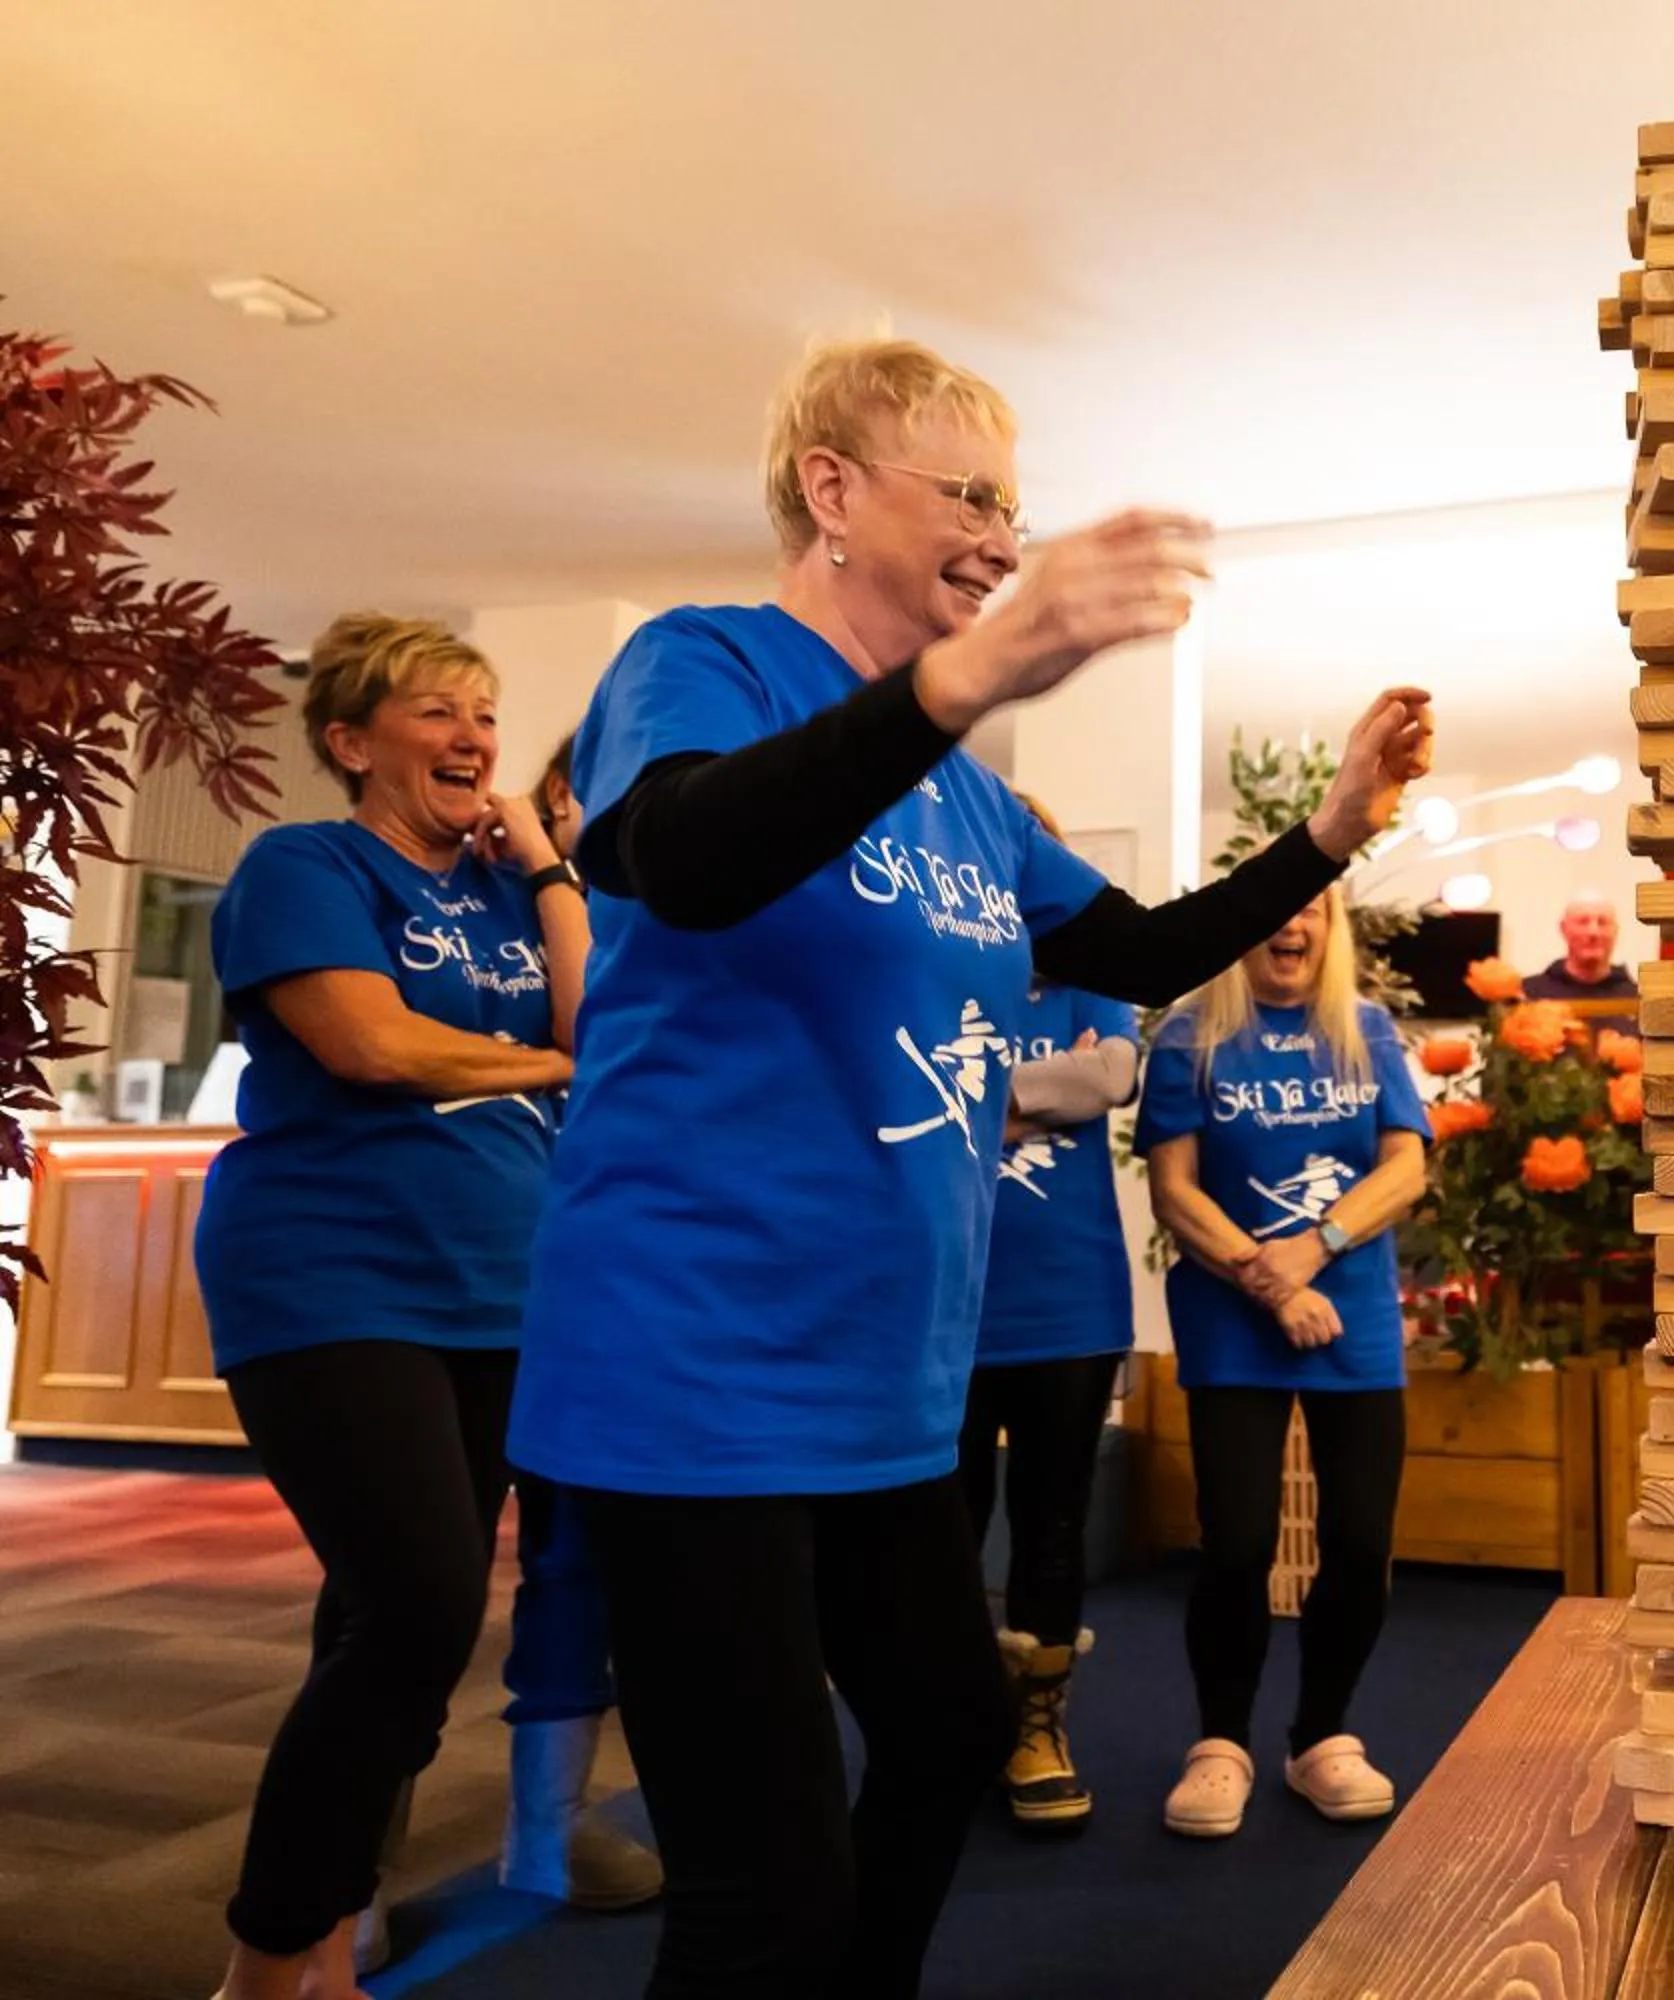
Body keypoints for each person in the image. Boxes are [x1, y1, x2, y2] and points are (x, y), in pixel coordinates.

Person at [502, 335, 1430, 2000]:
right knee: (762, 1880)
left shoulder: (970, 806)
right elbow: (686, 858)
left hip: (883, 1392)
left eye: (1017, 500)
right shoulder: (701, 660)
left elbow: (1142, 950)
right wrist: (961, 684)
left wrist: (1331, 834)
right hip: (691, 1367)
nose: (1005, 531)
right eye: (971, 493)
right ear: (833, 492)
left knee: (942, 1744)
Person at [193, 615, 587, 2000]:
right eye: (437, 711)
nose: (473, 735)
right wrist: (533, 1059)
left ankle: (324, 1942)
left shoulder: (499, 897)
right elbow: (364, 1042)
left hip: (493, 1293)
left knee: (385, 1611)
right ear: (352, 742)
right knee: (418, 1611)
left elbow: (602, 1033)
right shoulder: (306, 864)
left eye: (484, 710)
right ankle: (267, 1955)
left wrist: (545, 869)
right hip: (330, 1275)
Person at [1136, 885, 1431, 1840]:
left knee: (1356, 1542)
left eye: (1312, 911)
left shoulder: (1368, 1031)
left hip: (1354, 1323)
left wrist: (1318, 1247)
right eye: (1277, 909)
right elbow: (1175, 1192)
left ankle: (1320, 1738)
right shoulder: (1189, 1035)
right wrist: (1272, 1281)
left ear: (1330, 928)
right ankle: (1220, 1743)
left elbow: (1406, 1167)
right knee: (1237, 1543)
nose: (1290, 923)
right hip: (1234, 1322)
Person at [493, 731, 666, 1912]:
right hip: (485, 1269)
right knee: (422, 1583)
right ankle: (356, 1866)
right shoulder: (498, 907)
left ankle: (551, 1829)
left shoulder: (671, 915)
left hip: (625, 1278)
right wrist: (551, 874)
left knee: (595, 1560)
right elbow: (584, 1033)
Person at [961, 787, 1142, 1833]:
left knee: (1053, 1523)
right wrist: (1041, 1088)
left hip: (1072, 1299)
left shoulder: (1091, 978)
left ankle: (1038, 1723)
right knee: (943, 1528)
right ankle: (957, 1720)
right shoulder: (940, 976)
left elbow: (1110, 1071)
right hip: (947, 1300)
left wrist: (974, 1092)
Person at [1520, 889, 1637, 1004]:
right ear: (1563, 928)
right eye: (1583, 922)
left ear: (1616, 931)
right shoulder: (1528, 996)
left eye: (1603, 922)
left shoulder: (1639, 1001)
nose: (1593, 932)